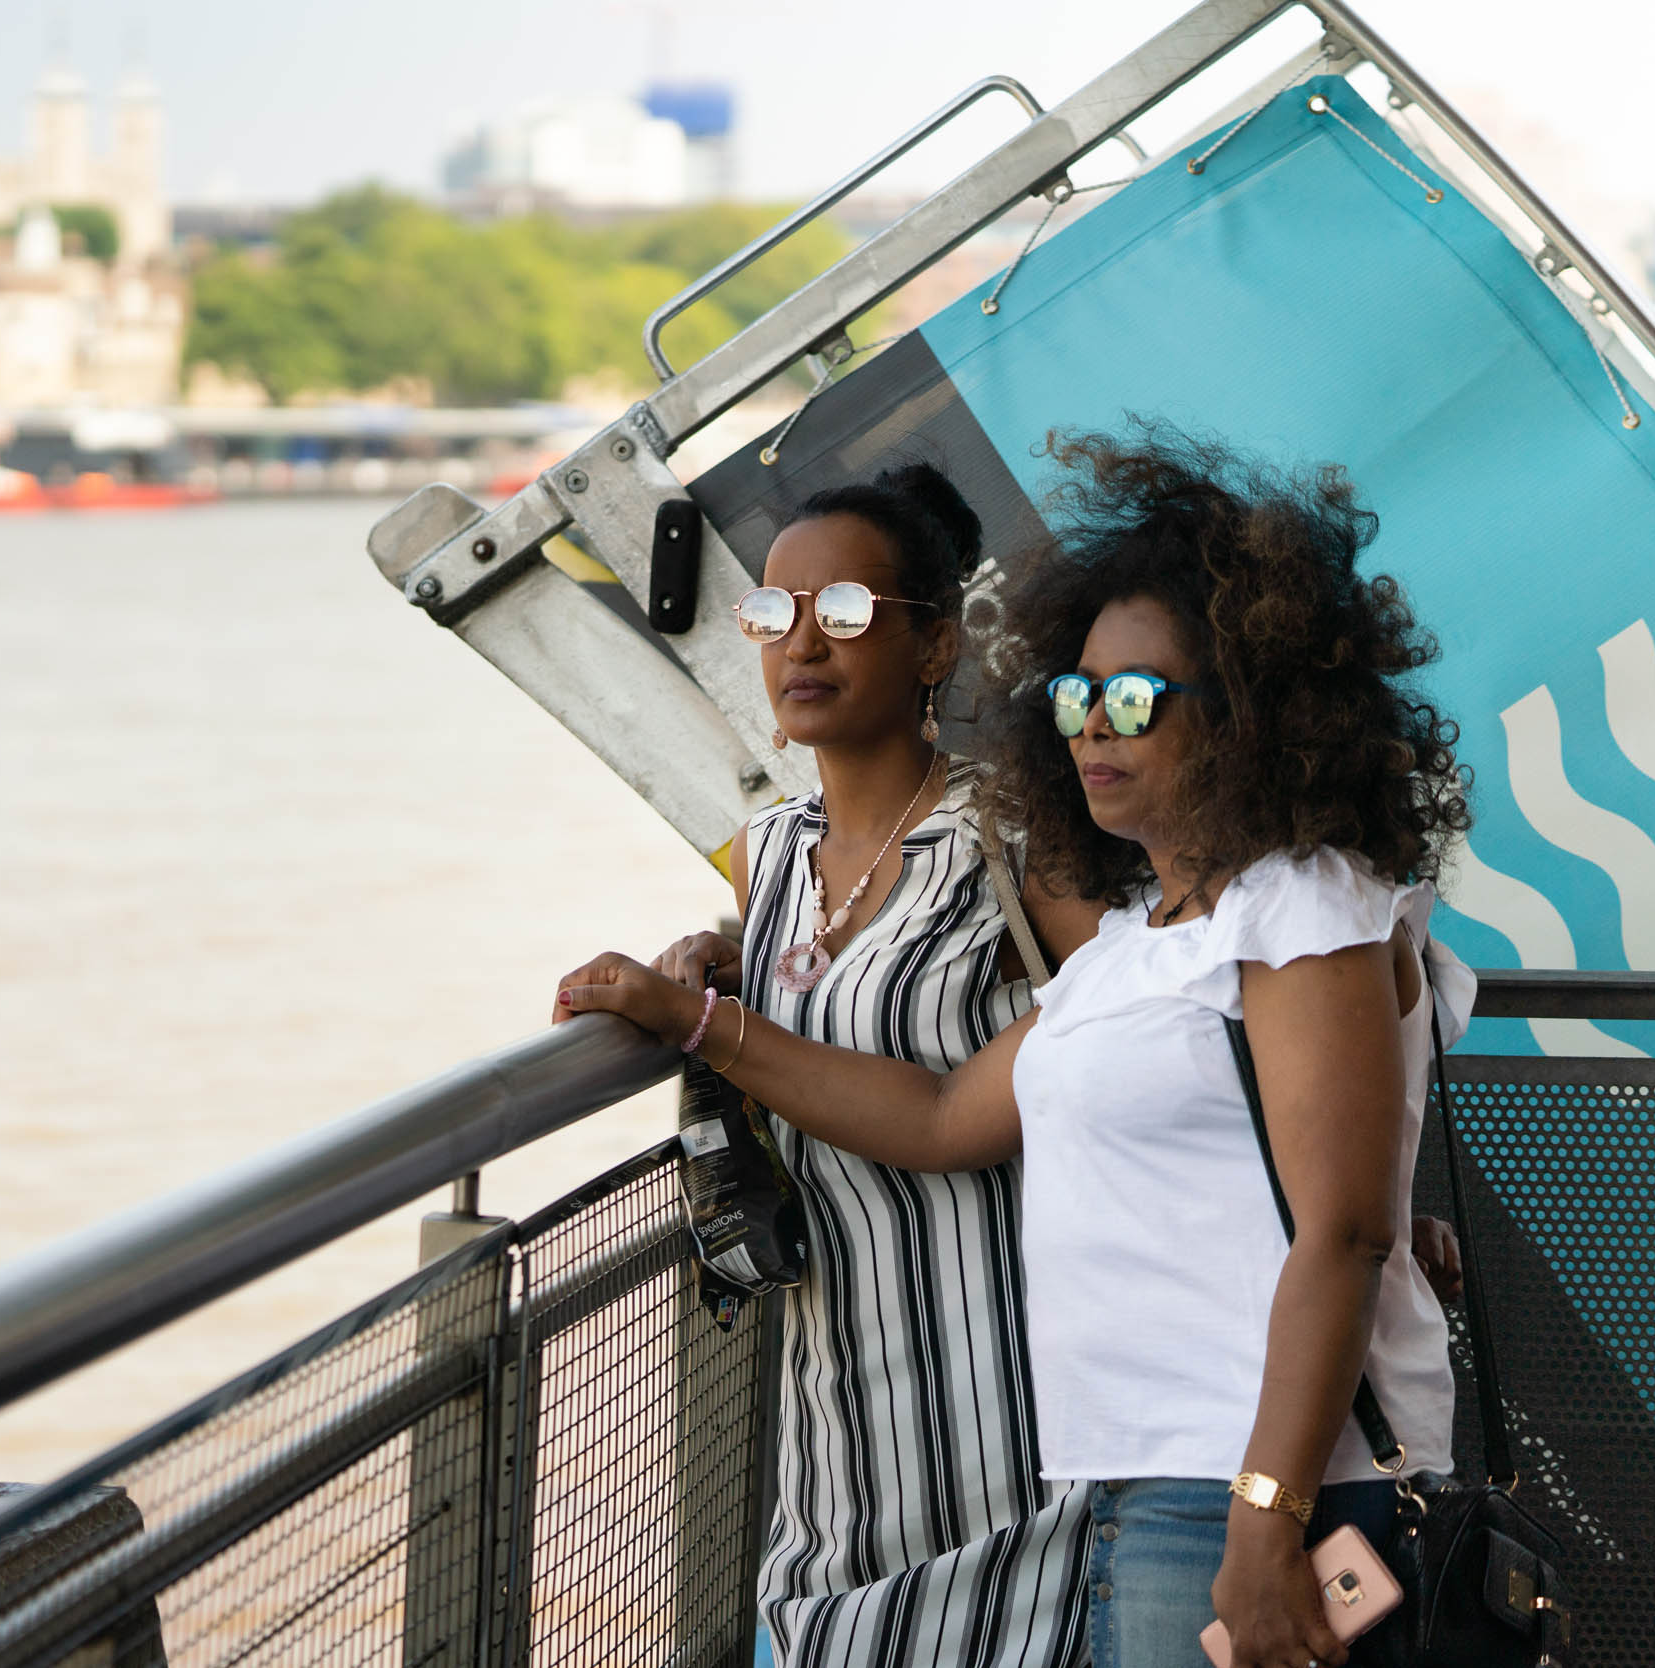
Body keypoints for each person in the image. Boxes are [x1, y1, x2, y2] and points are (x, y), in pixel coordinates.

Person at [558, 427, 1473, 1668]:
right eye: (1076, 697)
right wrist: (702, 1020)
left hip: (1240, 1488)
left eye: (1137, 700)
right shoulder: (1136, 946)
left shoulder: (1296, 905)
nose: (1096, 728)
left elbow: (1344, 1230)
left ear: (1248, 715)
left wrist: (1267, 1520)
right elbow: (937, 1118)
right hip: (1110, 1488)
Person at [628, 460, 1112, 1668]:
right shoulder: (768, 858)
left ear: (936, 647)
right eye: (774, 614)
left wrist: (695, 1022)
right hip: (839, 1428)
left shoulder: (1015, 840)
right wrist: (714, 961)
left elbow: (1148, 1044)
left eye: (844, 615)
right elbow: (821, 998)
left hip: (1015, 1420)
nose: (803, 642)